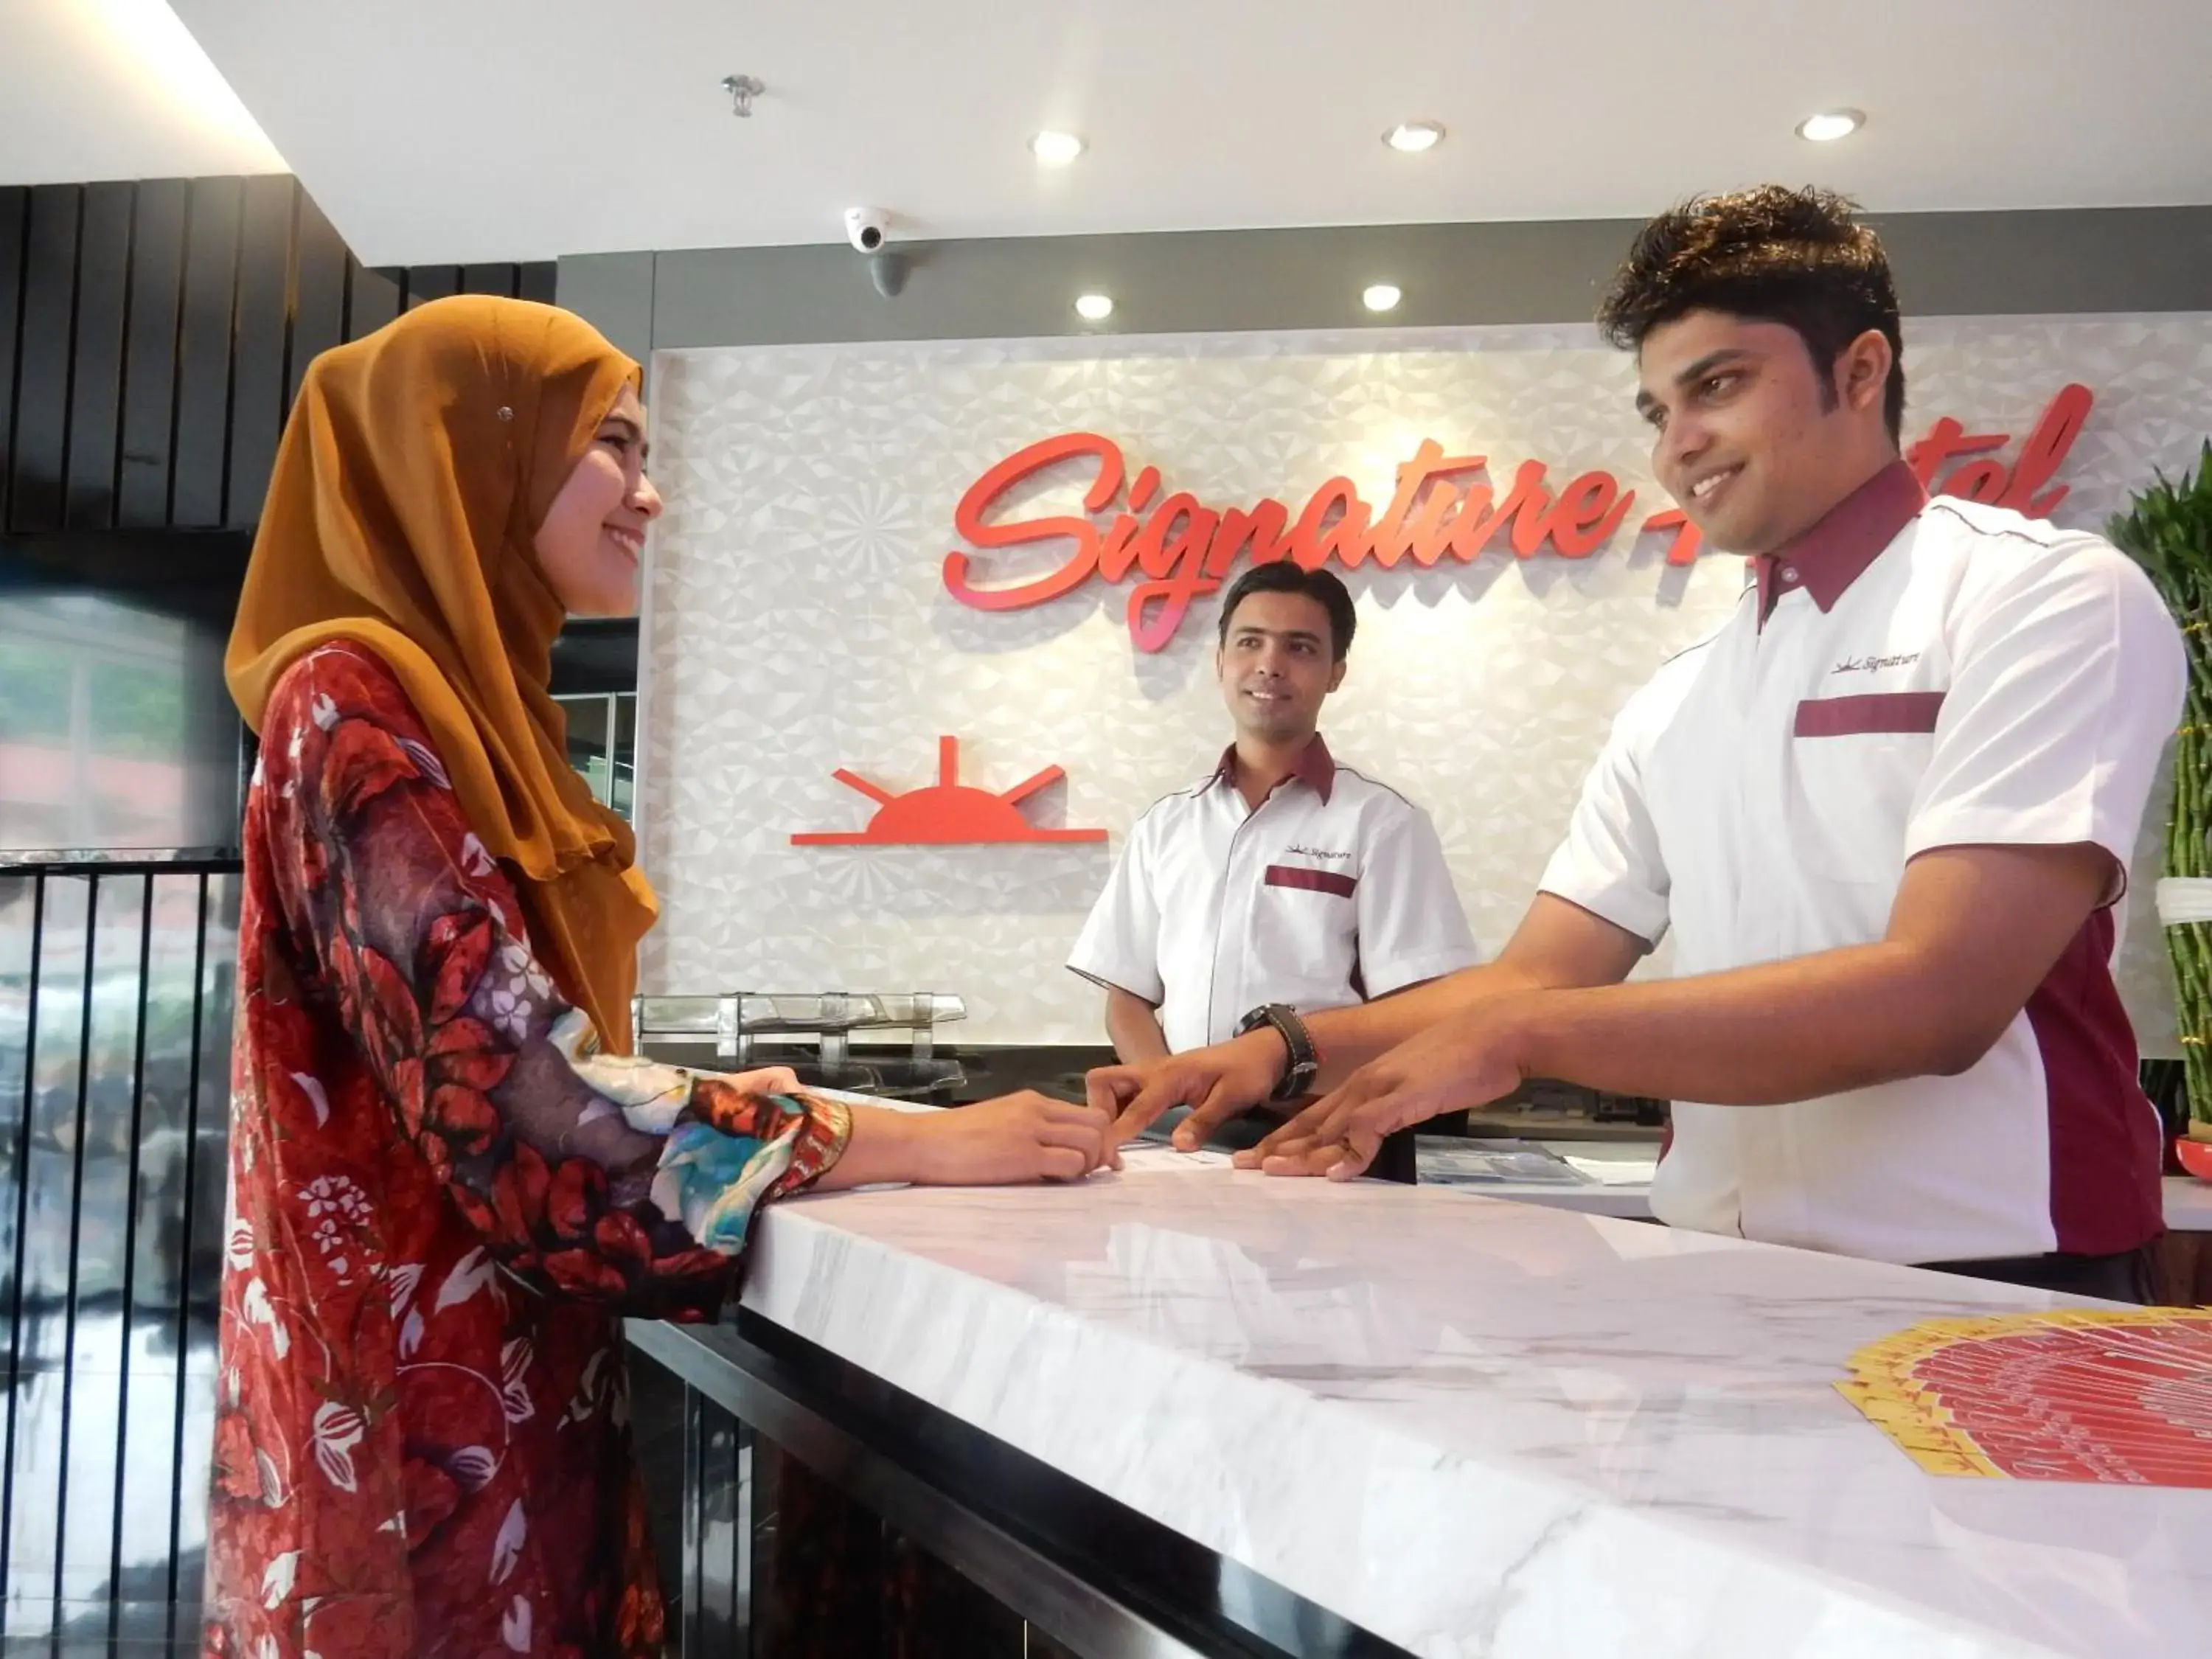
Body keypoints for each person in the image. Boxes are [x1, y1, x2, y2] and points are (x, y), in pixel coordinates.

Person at [206, 296, 1113, 1659]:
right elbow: (530, 1116)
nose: (652, 488)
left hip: (493, 1401)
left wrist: (735, 1106)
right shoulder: (349, 705)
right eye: (612, 444)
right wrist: (906, 1139)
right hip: (407, 1443)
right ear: (476, 451)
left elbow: (509, 1057)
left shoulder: (459, 708)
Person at [1088, 187, 2184, 1302]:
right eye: (1658, 410)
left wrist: (1523, 1035)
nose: (1678, 446)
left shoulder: (2041, 596)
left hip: (2006, 1273)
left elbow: (1941, 995)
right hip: (1722, 1267)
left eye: (1717, 386)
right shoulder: (1680, 693)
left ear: (1859, 373)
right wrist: (1282, 1049)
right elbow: (1534, 972)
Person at [1068, 561, 1477, 1074]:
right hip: (1181, 1128)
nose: (1270, 664)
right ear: (1219, 661)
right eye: (1249, 642)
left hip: (1316, 1131)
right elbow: (1126, 997)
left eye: (1300, 647)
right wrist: (1164, 1089)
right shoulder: (1166, 825)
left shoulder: (1383, 823)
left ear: (1336, 673)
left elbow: (1418, 1008)